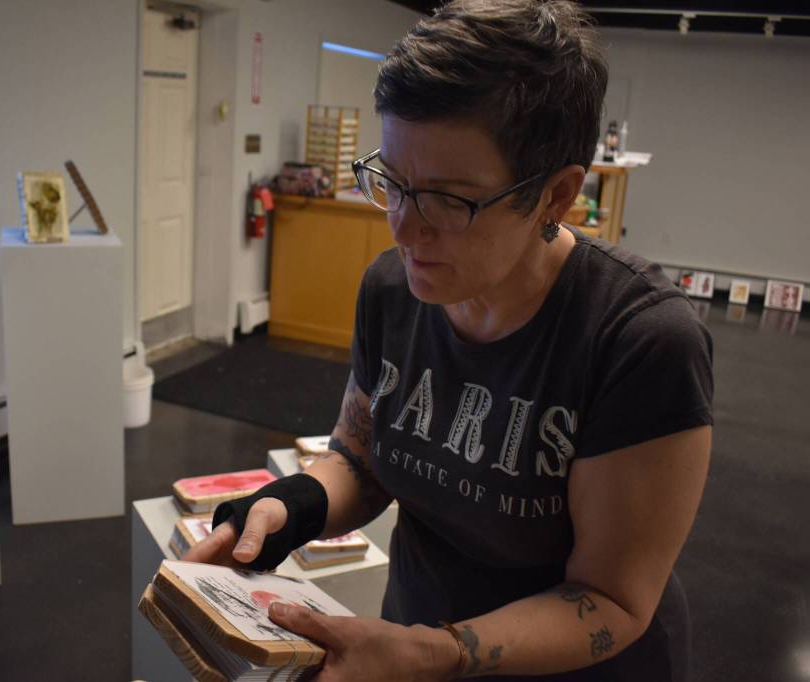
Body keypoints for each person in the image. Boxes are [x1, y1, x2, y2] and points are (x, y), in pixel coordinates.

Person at [185, 1, 713, 679]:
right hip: (415, 636)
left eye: (447, 199)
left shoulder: (638, 341)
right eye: (394, 183)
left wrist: (434, 653)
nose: (403, 229)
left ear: (555, 196)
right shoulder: (392, 289)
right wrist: (292, 508)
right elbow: (362, 457)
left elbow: (612, 599)